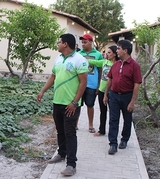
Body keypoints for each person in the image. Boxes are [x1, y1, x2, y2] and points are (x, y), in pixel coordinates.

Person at [36, 33, 88, 176]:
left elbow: (83, 82)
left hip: (71, 104)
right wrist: (42, 91)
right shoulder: (58, 58)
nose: (58, 44)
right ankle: (61, 153)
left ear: (65, 44)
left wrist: (74, 102)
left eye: (59, 42)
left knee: (70, 133)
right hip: (57, 102)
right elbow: (53, 76)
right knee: (60, 131)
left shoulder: (80, 60)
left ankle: (71, 164)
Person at [103, 40, 142, 155]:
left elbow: (136, 84)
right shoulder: (116, 64)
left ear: (125, 50)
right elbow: (110, 79)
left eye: (119, 48)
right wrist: (106, 94)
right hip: (114, 95)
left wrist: (132, 101)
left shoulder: (134, 66)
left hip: (127, 96)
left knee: (127, 119)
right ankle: (113, 144)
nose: (117, 51)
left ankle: (124, 139)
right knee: (113, 120)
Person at [87, 45, 119, 136]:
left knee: (113, 113)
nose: (106, 54)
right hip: (101, 91)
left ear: (114, 54)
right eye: (106, 52)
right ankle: (102, 130)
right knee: (103, 111)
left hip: (112, 92)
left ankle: (113, 133)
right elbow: (93, 62)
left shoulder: (117, 64)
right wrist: (83, 59)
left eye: (109, 53)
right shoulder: (104, 62)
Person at [77, 34, 103, 133]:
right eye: (82, 42)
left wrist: (99, 85)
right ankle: (75, 124)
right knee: (77, 104)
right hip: (79, 84)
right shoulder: (79, 54)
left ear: (91, 42)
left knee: (90, 105)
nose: (83, 44)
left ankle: (90, 125)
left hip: (92, 84)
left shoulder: (98, 54)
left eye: (85, 42)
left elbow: (101, 70)